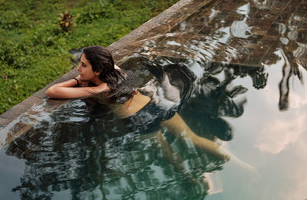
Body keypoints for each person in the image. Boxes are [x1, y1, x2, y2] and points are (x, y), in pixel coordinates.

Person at [46, 46, 229, 161]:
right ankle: (236, 161)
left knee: (167, 152)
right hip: (157, 106)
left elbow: (51, 92)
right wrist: (84, 77)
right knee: (194, 138)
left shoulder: (100, 88)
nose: (78, 69)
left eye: (83, 65)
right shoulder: (116, 71)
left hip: (139, 121)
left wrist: (86, 85)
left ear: (98, 70)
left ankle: (190, 179)